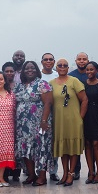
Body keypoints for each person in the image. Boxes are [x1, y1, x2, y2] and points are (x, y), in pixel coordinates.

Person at [14, 61, 54, 187]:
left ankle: (42, 177)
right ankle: (31, 175)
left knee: (41, 148)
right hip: (22, 126)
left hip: (39, 123)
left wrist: (44, 121)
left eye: (32, 68)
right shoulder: (18, 86)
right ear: (23, 71)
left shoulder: (42, 84)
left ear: (37, 70)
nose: (29, 70)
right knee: (26, 149)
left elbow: (48, 103)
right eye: (27, 68)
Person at [50, 58, 88, 186]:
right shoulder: (51, 83)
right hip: (59, 121)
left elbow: (84, 100)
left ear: (68, 68)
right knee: (63, 148)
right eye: (59, 65)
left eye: (64, 65)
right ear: (56, 67)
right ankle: (65, 173)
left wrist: (80, 118)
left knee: (73, 148)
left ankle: (72, 173)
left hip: (73, 121)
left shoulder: (74, 81)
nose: (62, 67)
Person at [68, 52, 92, 178]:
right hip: (75, 114)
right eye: (79, 59)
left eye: (84, 59)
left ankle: (91, 171)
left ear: (88, 60)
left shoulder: (95, 74)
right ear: (75, 61)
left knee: (90, 143)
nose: (82, 61)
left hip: (92, 114)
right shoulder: (71, 76)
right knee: (75, 142)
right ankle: (75, 170)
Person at [40, 53, 60, 181]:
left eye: (51, 59)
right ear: (42, 62)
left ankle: (53, 171)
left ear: (54, 62)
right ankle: (39, 170)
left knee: (53, 142)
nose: (48, 61)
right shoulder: (37, 76)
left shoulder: (57, 75)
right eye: (46, 59)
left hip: (55, 113)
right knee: (40, 143)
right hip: (39, 114)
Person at [83, 61, 98, 184]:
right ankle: (90, 171)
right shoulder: (83, 84)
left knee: (96, 143)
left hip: (97, 113)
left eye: (92, 69)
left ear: (96, 71)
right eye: (87, 70)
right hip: (86, 113)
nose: (89, 72)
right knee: (87, 143)